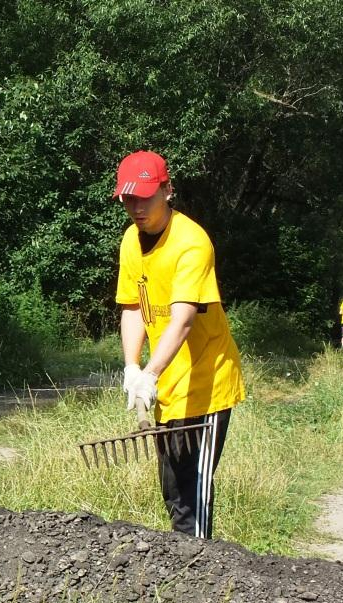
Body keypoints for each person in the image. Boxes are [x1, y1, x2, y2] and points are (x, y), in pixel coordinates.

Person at [113, 150, 246, 540]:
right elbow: (133, 306)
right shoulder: (130, 241)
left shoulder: (191, 243)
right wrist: (132, 367)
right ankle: (181, 566)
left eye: (145, 197)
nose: (136, 207)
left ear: (168, 190)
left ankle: (201, 570)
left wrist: (150, 373)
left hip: (206, 384)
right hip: (168, 385)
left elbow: (184, 319)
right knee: (172, 488)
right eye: (127, 198)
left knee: (193, 490)